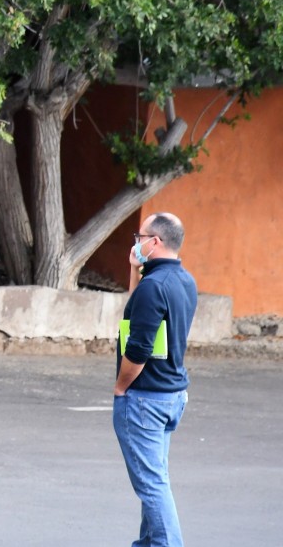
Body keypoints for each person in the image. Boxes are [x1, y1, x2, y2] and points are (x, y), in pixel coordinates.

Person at [113, 213, 197, 547]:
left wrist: (121, 386)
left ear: (156, 241)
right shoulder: (182, 281)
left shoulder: (154, 287)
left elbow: (138, 347)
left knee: (153, 486)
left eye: (140, 236)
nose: (137, 241)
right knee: (155, 480)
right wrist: (135, 269)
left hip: (145, 398)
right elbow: (137, 315)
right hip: (171, 394)